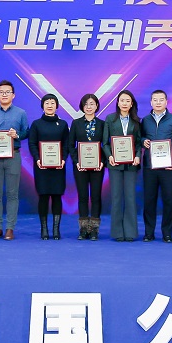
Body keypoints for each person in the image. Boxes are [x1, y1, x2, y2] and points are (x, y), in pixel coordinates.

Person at [0, 80, 29, 240]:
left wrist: (18, 135)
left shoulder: (21, 113)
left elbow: (26, 132)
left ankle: (10, 228)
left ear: (13, 95)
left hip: (13, 156)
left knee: (12, 193)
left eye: (7, 92)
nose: (4, 94)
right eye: (1, 92)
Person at [141, 90, 172, 243]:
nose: (158, 102)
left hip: (168, 168)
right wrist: (143, 141)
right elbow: (140, 137)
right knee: (149, 201)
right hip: (150, 167)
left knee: (169, 200)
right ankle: (149, 233)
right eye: (155, 100)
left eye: (161, 100)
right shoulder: (145, 120)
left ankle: (167, 233)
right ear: (151, 102)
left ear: (166, 102)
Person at [29, 94, 70, 240]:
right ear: (42, 106)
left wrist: (63, 159)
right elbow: (32, 144)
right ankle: (44, 229)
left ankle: (56, 229)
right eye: (47, 103)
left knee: (57, 196)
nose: (50, 105)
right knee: (43, 196)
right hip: (42, 166)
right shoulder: (36, 124)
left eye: (53, 103)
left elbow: (66, 144)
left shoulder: (63, 124)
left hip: (58, 166)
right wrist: (37, 159)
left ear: (57, 106)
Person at [103, 90, 143, 242]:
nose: (124, 103)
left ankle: (130, 232)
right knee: (116, 197)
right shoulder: (110, 119)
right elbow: (105, 142)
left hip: (131, 165)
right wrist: (110, 156)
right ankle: (117, 232)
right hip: (115, 164)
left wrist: (138, 156)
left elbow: (138, 143)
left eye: (128, 101)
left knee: (130, 197)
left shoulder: (136, 121)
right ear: (118, 103)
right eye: (122, 100)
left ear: (131, 104)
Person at [68, 93, 104, 241]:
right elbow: (71, 145)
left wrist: (102, 161)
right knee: (82, 196)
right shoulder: (76, 123)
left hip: (97, 166)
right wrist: (77, 161)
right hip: (80, 166)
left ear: (97, 106)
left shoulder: (102, 124)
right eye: (86, 104)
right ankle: (83, 229)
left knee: (96, 196)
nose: (89, 107)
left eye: (92, 104)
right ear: (82, 106)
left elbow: (106, 144)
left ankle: (94, 230)